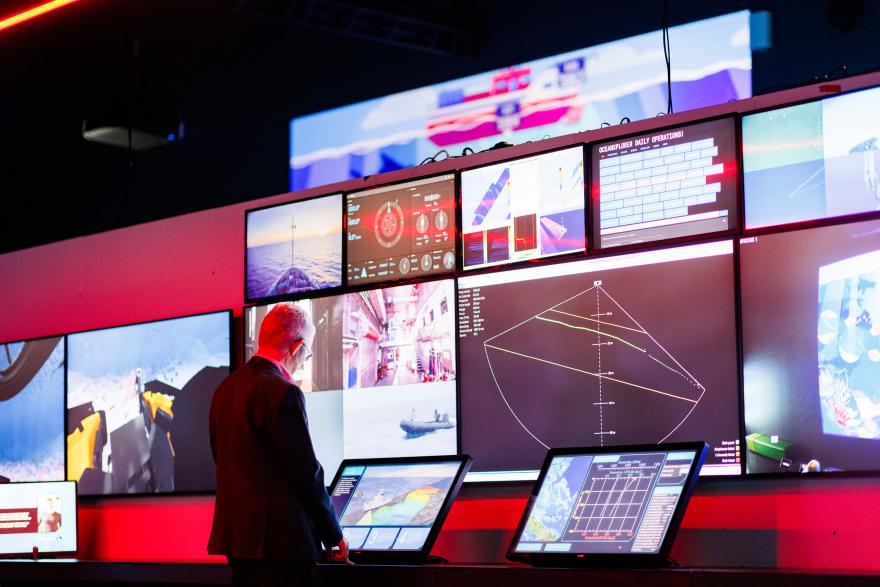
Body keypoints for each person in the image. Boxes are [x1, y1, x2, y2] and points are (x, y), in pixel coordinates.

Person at [208, 303, 350, 587]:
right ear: (296, 347)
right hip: (282, 547)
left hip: (238, 543)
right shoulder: (284, 393)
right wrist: (334, 535)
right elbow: (306, 474)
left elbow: (219, 457)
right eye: (307, 352)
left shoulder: (225, 390)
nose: (304, 360)